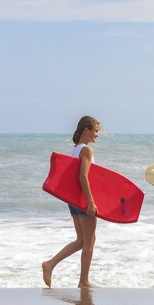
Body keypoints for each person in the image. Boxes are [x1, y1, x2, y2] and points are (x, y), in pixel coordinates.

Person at [42, 116, 100, 288]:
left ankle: (50, 264)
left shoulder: (75, 150)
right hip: (83, 200)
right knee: (89, 241)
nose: (97, 135)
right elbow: (83, 177)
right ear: (86, 130)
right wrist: (90, 201)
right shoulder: (87, 151)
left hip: (73, 200)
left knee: (81, 240)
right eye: (95, 131)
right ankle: (83, 281)